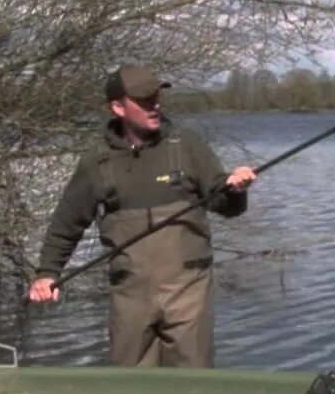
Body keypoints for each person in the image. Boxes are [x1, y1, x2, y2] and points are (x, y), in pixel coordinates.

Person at [28, 64, 256, 368]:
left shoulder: (186, 146)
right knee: (130, 387)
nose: (155, 106)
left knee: (193, 384)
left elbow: (227, 205)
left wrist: (236, 188)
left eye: (157, 98)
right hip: (131, 295)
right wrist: (47, 273)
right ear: (118, 107)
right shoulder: (97, 161)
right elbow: (67, 223)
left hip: (188, 291)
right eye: (144, 100)